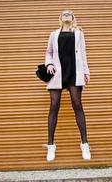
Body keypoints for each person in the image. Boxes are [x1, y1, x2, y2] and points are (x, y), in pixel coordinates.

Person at [42, 10, 91, 162]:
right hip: (57, 73)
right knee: (54, 106)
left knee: (77, 105)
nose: (67, 14)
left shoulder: (78, 33)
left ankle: (84, 144)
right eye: (64, 13)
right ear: (60, 18)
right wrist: (49, 63)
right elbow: (48, 52)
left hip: (74, 72)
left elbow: (83, 53)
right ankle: (51, 145)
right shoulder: (54, 34)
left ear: (73, 18)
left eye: (70, 13)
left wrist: (86, 71)